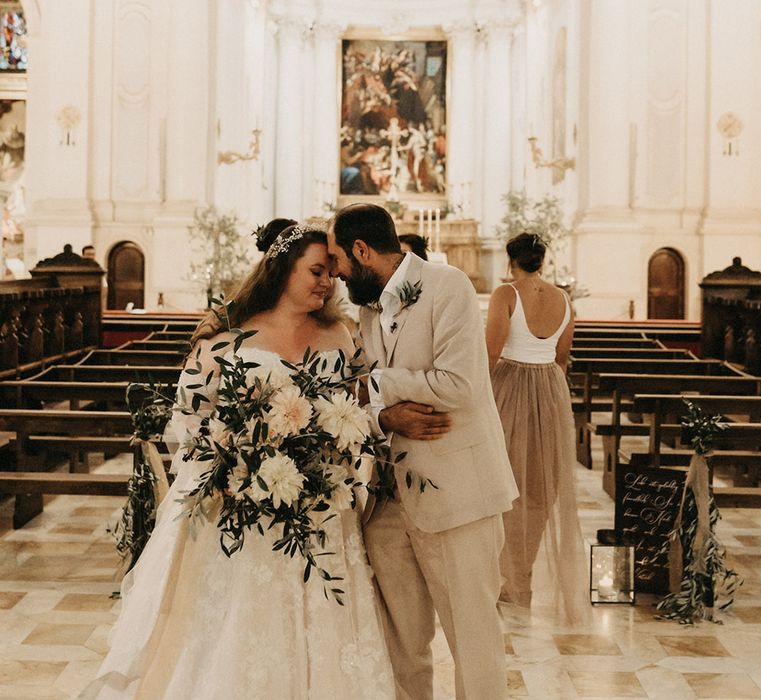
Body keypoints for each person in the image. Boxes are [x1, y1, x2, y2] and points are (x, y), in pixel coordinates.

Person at [82, 221, 396, 699]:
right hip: (240, 509)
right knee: (245, 618)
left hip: (322, 505)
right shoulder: (226, 338)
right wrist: (228, 466)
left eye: (331, 273)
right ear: (279, 269)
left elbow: (357, 410)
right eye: (315, 270)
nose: (326, 282)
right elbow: (188, 421)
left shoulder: (341, 337)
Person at [327, 203, 518, 700]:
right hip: (389, 499)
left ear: (362, 250)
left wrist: (377, 384)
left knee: (473, 638)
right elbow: (366, 400)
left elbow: (459, 385)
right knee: (401, 643)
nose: (338, 277)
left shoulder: (447, 285)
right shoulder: (366, 312)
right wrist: (384, 409)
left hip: (459, 495)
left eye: (341, 264)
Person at [485, 232, 588, 624]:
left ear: (510, 260)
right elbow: (562, 358)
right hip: (550, 388)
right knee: (540, 489)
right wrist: (549, 395)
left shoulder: (505, 295)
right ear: (542, 261)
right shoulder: (564, 300)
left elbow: (490, 354)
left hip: (510, 387)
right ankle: (520, 578)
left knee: (505, 485)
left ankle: (506, 579)